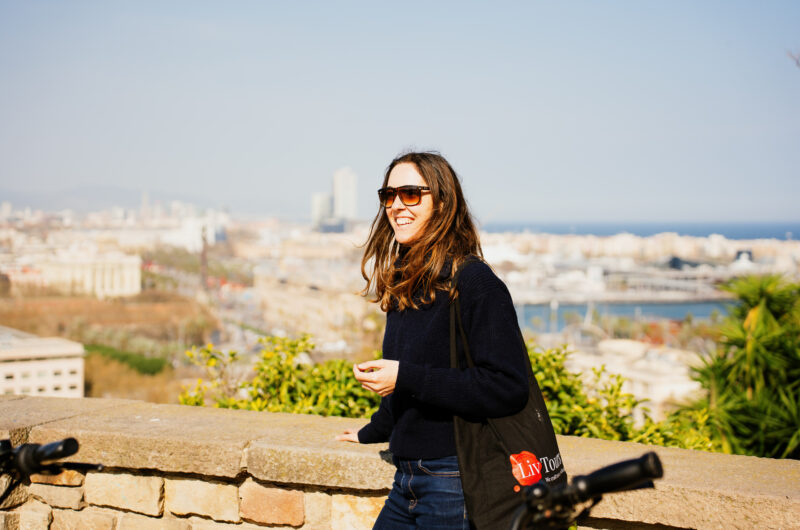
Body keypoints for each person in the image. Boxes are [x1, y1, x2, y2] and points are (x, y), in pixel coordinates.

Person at [336, 151, 530, 529]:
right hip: (406, 476)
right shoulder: (407, 278)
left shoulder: (474, 283)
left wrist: (405, 377)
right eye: (388, 195)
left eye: (410, 194)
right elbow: (408, 370)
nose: (396, 206)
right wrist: (373, 430)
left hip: (453, 478)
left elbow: (508, 386)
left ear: (441, 202)